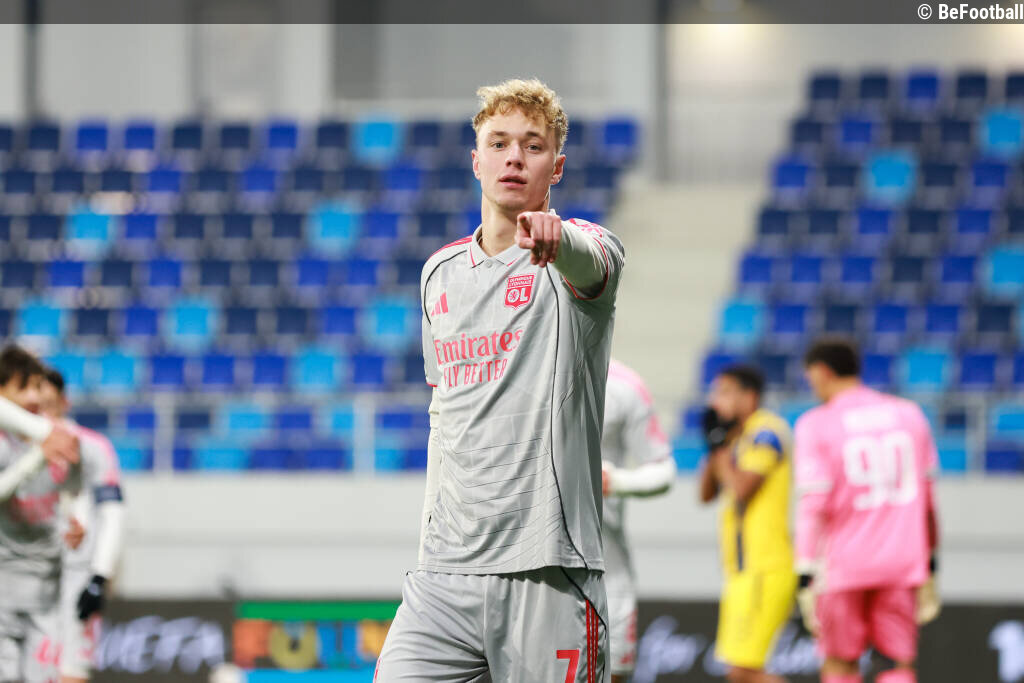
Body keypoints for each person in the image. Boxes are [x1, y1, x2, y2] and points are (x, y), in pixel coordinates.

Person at [375, 78, 625, 682]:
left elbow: (592, 260)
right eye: (499, 143)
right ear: (476, 160)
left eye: (533, 146)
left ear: (556, 166)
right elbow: (444, 410)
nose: (515, 157)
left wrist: (558, 238)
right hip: (444, 573)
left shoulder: (582, 253)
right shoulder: (438, 273)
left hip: (549, 568)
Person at [794, 338, 940, 683]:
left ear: (822, 371)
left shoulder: (816, 423)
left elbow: (814, 504)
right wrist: (931, 560)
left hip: (843, 566)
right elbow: (928, 500)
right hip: (902, 562)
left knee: (839, 662)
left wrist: (805, 570)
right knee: (897, 663)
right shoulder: (909, 414)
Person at [699, 365, 795, 683]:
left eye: (725, 392)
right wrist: (715, 444)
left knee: (743, 670)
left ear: (749, 396)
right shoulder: (736, 438)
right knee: (738, 672)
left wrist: (721, 449)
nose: (715, 400)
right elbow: (706, 493)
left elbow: (741, 489)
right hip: (742, 570)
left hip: (764, 566)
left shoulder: (766, 432)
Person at [38, 368, 125, 683]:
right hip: (26, 575)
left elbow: (112, 513)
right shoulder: (16, 446)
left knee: (71, 670)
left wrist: (99, 576)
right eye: (36, 407)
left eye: (50, 405)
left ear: (65, 402)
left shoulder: (93, 446)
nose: (45, 414)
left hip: (76, 574)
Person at [0, 346, 81, 682]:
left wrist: (73, 524)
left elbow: (63, 498)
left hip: (46, 593)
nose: (35, 396)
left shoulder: (55, 438)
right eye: (24, 387)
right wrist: (37, 457)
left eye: (37, 386)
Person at [600, 359, 676, 682]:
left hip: (607, 570)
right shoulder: (519, 367)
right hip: (528, 568)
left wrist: (615, 481)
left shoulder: (625, 384)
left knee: (612, 674)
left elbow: (663, 469)